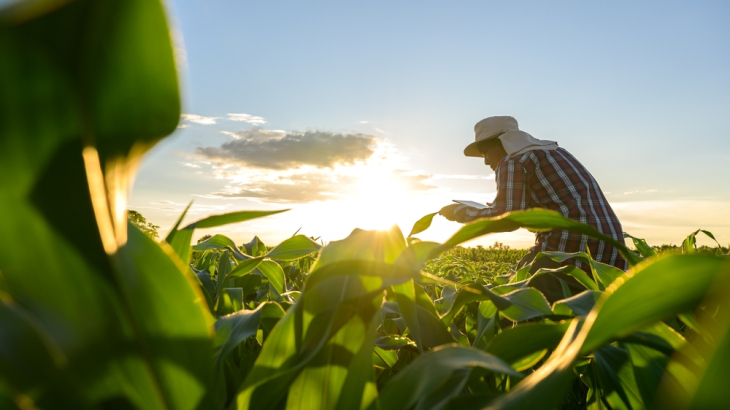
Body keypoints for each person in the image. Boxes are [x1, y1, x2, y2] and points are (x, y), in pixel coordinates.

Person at [439, 116, 627, 303]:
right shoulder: (555, 152)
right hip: (610, 255)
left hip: (567, 252)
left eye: (485, 152)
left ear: (502, 143)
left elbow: (507, 219)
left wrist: (461, 212)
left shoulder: (512, 160)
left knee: (514, 301)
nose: (486, 161)